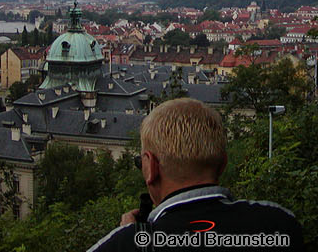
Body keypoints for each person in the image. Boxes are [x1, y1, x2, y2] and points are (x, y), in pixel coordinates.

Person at [89, 98, 303, 251]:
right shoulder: (278, 225)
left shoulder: (125, 244)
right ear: (222, 165)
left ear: (151, 167)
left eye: (140, 163)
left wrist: (130, 240)